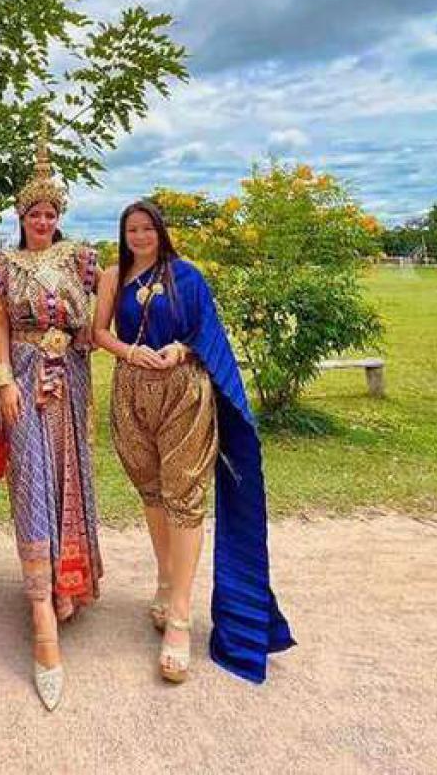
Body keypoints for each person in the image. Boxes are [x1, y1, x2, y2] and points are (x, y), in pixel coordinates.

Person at [93, 199, 294, 684]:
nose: (140, 236)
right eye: (132, 229)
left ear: (160, 231)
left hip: (184, 390)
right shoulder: (113, 276)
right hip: (131, 391)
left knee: (184, 497)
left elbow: (206, 332)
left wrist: (180, 348)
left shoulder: (187, 276)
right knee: (152, 492)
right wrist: (131, 352)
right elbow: (97, 333)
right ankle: (165, 580)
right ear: (123, 234)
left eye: (147, 228)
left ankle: (180, 616)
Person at [0, 133, 102, 711]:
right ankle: (40, 612)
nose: (43, 221)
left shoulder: (80, 259)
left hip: (70, 376)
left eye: (51, 213)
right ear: (21, 216)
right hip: (25, 376)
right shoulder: (3, 266)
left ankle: (66, 582)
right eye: (35, 213)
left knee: (68, 473)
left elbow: (100, 312)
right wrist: (3, 378)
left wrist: (85, 339)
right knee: (30, 477)